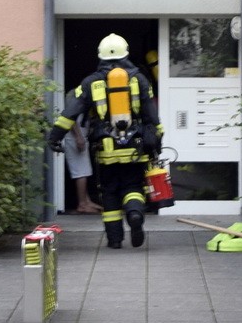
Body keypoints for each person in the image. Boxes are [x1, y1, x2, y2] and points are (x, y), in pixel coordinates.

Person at [48, 33, 163, 248]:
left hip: (106, 150)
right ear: (126, 53)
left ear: (100, 55)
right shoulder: (139, 80)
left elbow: (70, 112)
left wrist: (55, 137)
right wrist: (157, 140)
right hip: (134, 149)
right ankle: (135, 214)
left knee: (109, 191)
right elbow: (151, 116)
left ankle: (115, 239)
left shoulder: (91, 82)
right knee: (133, 187)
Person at [62, 90, 103, 214]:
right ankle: (82, 204)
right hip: (73, 137)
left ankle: (86, 201)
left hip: (81, 136)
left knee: (85, 170)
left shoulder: (82, 94)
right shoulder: (73, 96)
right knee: (80, 172)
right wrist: (78, 136)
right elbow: (71, 117)